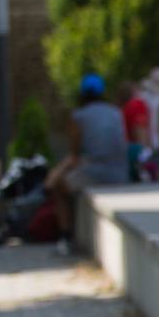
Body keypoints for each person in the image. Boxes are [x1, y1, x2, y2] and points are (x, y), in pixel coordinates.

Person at [45, 73, 130, 247]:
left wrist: (54, 176)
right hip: (121, 171)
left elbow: (74, 156)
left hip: (98, 172)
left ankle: (66, 235)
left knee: (60, 186)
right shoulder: (115, 112)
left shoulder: (79, 116)